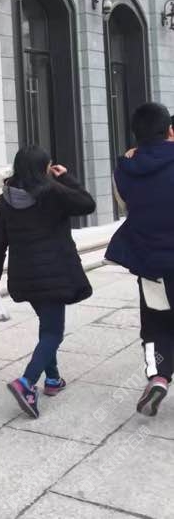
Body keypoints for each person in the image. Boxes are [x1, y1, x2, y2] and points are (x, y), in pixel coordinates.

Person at [0, 146, 97, 418]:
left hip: (25, 275)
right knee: (53, 333)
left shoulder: (5, 199)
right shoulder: (52, 193)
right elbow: (87, 204)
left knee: (47, 326)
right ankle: (26, 382)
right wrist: (65, 178)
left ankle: (53, 379)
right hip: (54, 273)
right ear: (43, 168)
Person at [106, 102, 174, 417]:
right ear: (169, 130)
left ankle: (157, 377)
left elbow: (124, 207)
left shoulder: (124, 169)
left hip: (151, 267)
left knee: (155, 325)